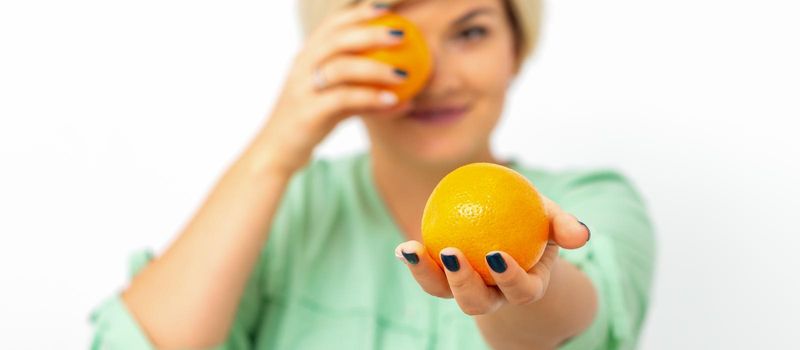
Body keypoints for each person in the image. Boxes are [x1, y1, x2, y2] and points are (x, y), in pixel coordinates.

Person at [90, 0, 656, 349]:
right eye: (396, 39)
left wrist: (529, 289)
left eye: (470, 32)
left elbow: (582, 327)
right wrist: (277, 148)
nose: (434, 76)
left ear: (517, 48)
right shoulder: (285, 209)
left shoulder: (594, 200)